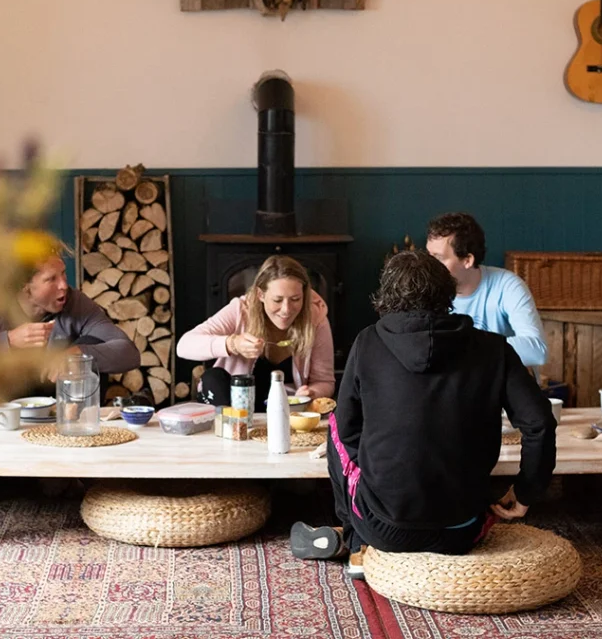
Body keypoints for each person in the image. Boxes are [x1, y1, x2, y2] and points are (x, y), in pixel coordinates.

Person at [290, 251, 556, 578]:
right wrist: (527, 490)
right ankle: (358, 536)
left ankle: (356, 540)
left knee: (334, 423)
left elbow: (346, 430)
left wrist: (380, 469)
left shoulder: (367, 342)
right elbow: (540, 423)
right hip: (463, 530)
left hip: (382, 527)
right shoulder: (494, 348)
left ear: (385, 295)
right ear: (448, 292)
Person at [176, 255, 335, 414]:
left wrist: (312, 393)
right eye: (277, 300)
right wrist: (232, 344)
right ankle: (232, 426)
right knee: (212, 377)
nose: (286, 309)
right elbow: (184, 346)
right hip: (234, 405)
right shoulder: (241, 310)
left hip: (286, 410)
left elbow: (324, 381)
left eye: (295, 299)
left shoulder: (316, 319)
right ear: (261, 295)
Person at [0, 246, 140, 387]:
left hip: (58, 399)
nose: (64, 285)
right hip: (2, 402)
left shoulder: (74, 302)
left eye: (63, 273)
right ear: (24, 285)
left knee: (90, 346)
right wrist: (9, 340)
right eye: (51, 279)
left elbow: (129, 354)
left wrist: (76, 353)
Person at [426, 212, 548, 367]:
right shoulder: (427, 290)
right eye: (428, 255)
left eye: (438, 258)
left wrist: (461, 350)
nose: (429, 265)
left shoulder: (507, 285)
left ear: (468, 260)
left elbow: (537, 351)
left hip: (500, 387)